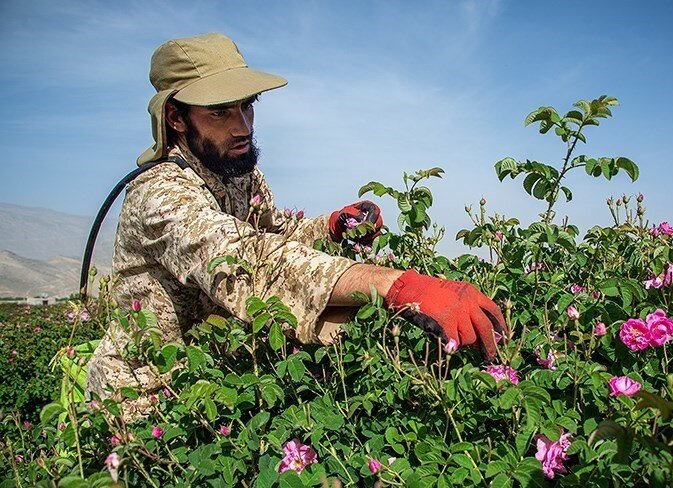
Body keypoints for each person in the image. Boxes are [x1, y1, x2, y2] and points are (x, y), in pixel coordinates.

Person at [85, 33, 507, 412]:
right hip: (145, 404)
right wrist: (398, 285)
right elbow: (245, 262)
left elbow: (275, 234)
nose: (243, 126)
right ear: (176, 118)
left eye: (247, 106)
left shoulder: (237, 171)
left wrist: (332, 226)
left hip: (214, 386)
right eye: (219, 113)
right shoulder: (159, 193)